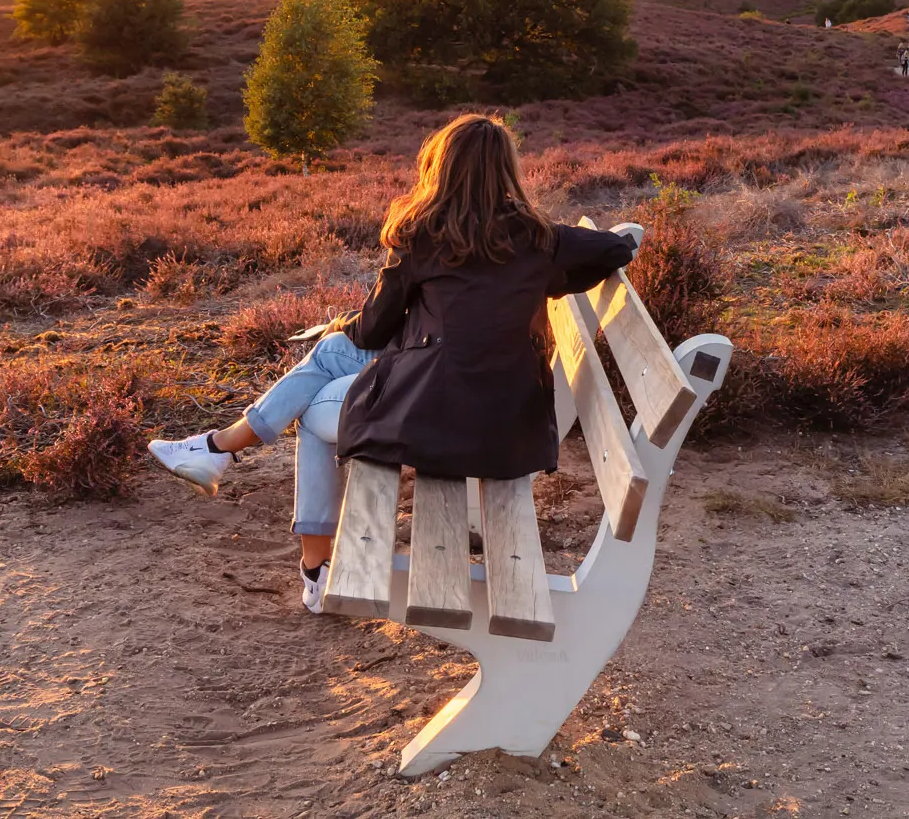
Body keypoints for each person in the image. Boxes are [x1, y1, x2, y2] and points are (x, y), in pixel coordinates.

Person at [146, 114, 641, 614]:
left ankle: (308, 562)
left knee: (313, 403)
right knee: (330, 353)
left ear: (440, 169)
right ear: (506, 172)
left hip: (438, 417)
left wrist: (348, 322)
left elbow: (375, 330)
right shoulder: (543, 239)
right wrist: (537, 280)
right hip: (505, 421)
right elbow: (619, 245)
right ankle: (219, 450)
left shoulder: (423, 234)